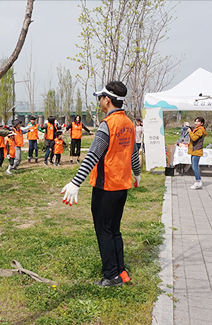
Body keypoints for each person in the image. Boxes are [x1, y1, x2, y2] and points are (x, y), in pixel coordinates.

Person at [61, 81, 140, 287]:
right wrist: (137, 174)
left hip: (106, 188)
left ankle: (111, 275)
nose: (99, 103)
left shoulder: (108, 124)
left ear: (107, 100)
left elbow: (92, 156)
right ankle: (121, 271)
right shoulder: (129, 124)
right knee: (115, 230)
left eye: (100, 99)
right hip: (122, 187)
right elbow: (133, 155)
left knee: (104, 231)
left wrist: (75, 183)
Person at [188, 117, 207, 190]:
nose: (196, 123)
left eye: (198, 122)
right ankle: (198, 181)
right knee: (194, 166)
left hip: (197, 151)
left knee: (195, 167)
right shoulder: (197, 130)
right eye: (195, 121)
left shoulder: (200, 130)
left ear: (202, 123)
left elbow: (194, 138)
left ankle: (198, 181)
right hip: (194, 151)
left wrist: (190, 132)